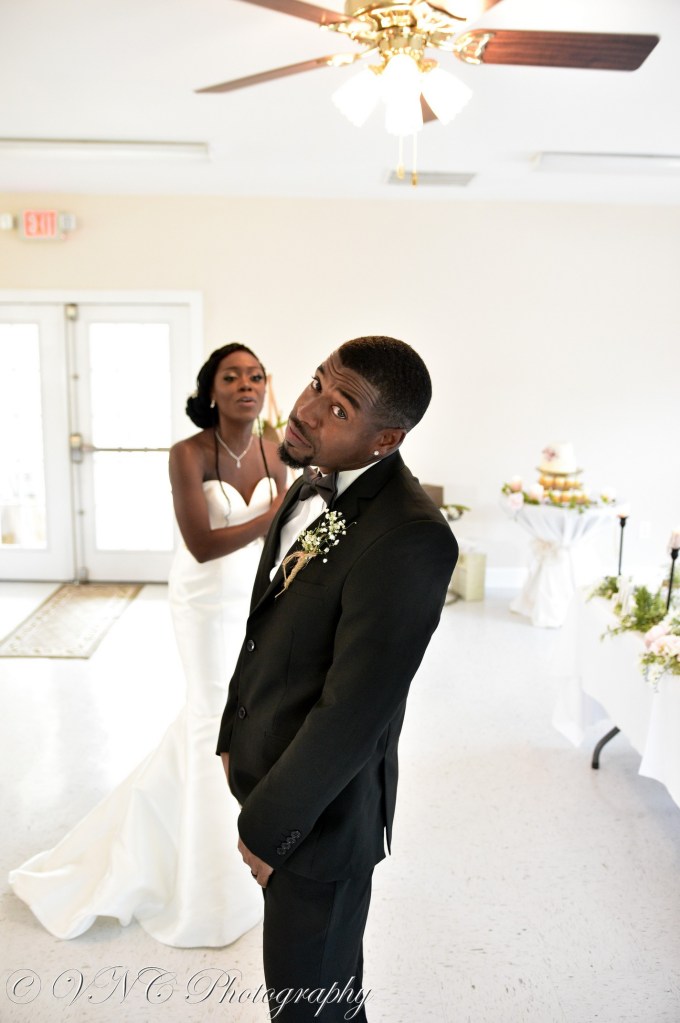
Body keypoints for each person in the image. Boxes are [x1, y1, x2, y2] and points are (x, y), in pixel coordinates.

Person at [9, 343, 287, 947]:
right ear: (211, 390)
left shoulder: (274, 448)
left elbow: (276, 543)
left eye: (255, 376)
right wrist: (274, 516)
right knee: (210, 716)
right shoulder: (188, 453)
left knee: (237, 716)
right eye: (231, 376)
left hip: (251, 600)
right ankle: (210, 885)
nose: (246, 385)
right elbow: (202, 544)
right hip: (203, 600)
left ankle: (181, 834)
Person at [217, 335, 458, 1019]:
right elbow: (269, 625)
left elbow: (354, 713)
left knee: (310, 1004)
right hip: (275, 778)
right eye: (318, 383)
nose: (308, 408)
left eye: (341, 408)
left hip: (318, 820)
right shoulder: (318, 476)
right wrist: (233, 733)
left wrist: (268, 828)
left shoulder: (410, 536)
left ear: (386, 439)